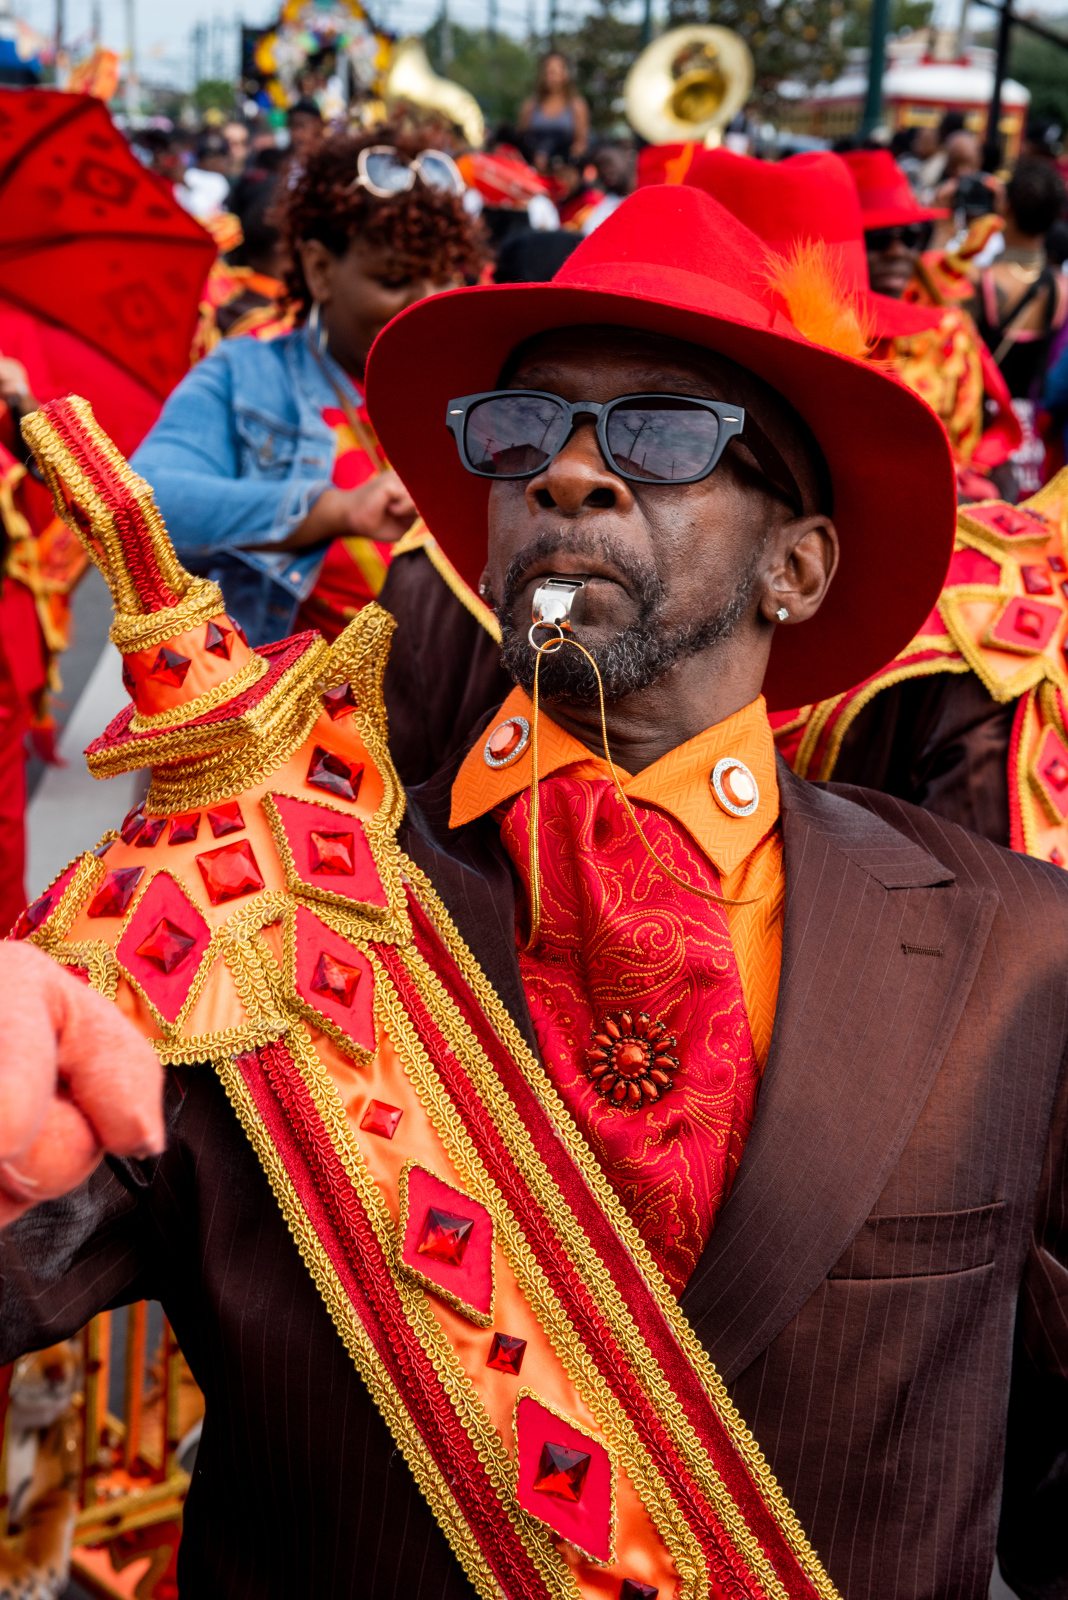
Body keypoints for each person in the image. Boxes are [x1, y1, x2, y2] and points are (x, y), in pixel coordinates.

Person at [5, 185, 1067, 1600]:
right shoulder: (252, 917)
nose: (572, 472)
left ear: (797, 568)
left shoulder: (1015, 947)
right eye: (523, 436)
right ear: (492, 535)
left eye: (665, 432)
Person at [129, 127, 486, 652]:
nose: (426, 305)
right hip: (307, 720)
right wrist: (332, 512)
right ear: (320, 270)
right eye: (394, 280)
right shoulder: (247, 374)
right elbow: (146, 506)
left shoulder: (487, 386)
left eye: (444, 277)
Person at [517, 53, 590, 171]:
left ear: (565, 74)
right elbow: (520, 138)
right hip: (532, 168)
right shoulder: (530, 106)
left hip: (563, 169)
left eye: (554, 73)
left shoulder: (577, 106)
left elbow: (581, 144)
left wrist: (558, 160)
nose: (550, 77)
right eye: (546, 73)